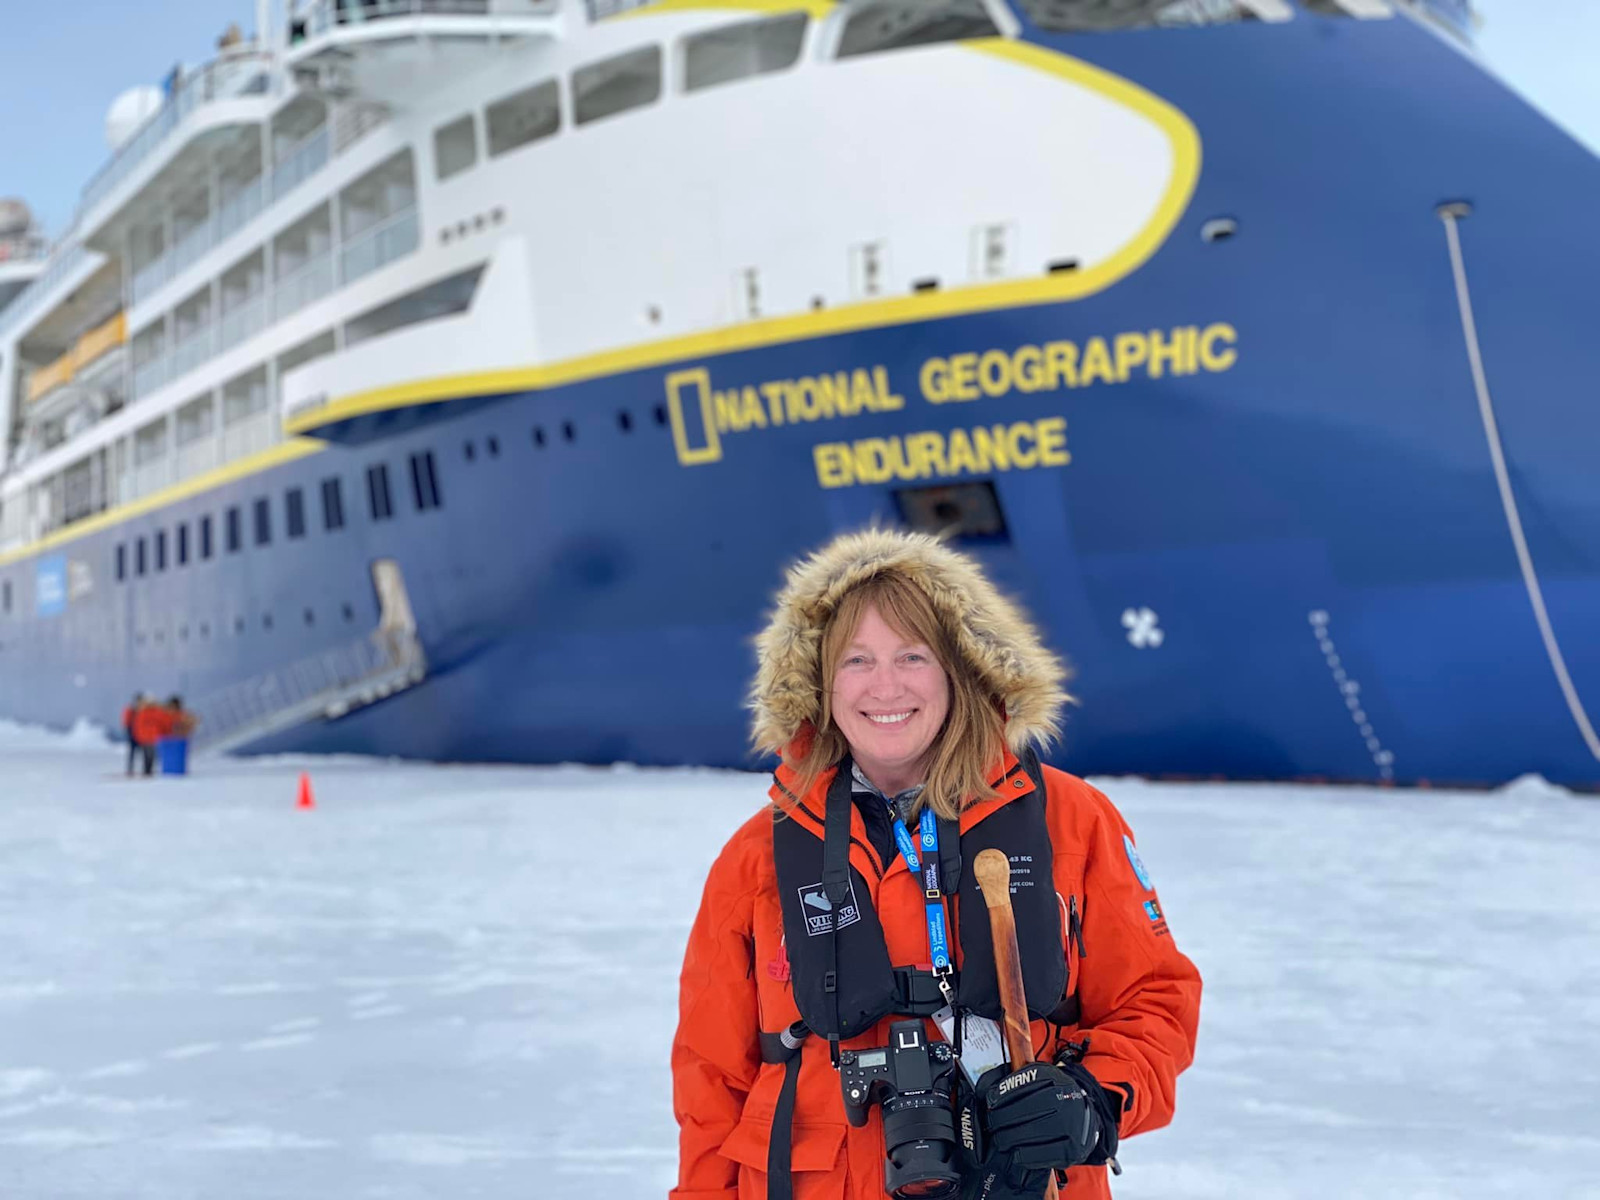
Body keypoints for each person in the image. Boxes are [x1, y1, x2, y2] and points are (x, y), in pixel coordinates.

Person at [671, 529, 1201, 1200]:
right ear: (820, 684)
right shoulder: (756, 857)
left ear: (959, 670)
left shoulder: (1071, 820)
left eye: (912, 656)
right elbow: (708, 1077)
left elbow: (1154, 1002)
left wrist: (1093, 1100)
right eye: (856, 660)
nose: (884, 686)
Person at [131, 697, 173, 776]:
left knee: (147, 755)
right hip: (154, 737)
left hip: (147, 737)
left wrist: (137, 736)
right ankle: (148, 770)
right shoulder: (158, 713)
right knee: (151, 755)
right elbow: (166, 724)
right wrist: (167, 734)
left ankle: (147, 770)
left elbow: (137, 726)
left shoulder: (142, 713)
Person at [121, 693, 145, 777]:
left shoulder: (143, 711)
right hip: (133, 734)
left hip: (142, 735)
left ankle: (145, 770)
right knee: (132, 753)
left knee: (144, 753)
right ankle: (130, 770)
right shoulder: (132, 710)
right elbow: (127, 723)